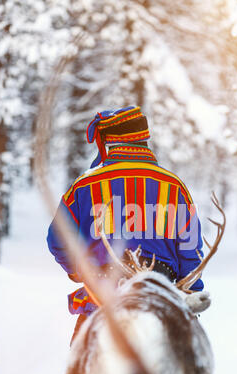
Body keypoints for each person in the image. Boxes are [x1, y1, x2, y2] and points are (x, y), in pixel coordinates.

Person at [47, 106, 204, 343]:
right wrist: (192, 292)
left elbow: (58, 241)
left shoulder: (83, 186)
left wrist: (80, 271)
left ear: (111, 144)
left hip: (103, 298)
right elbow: (190, 251)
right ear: (143, 141)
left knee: (80, 371)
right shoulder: (174, 187)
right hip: (161, 296)